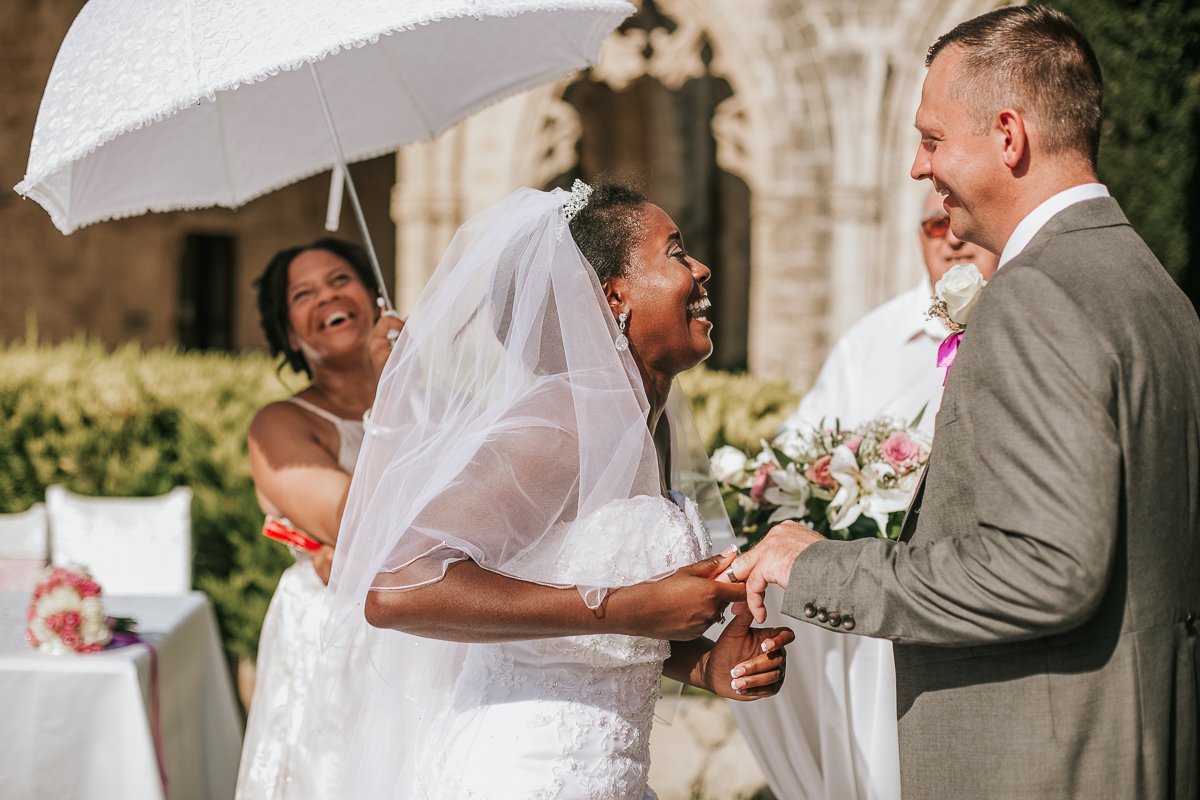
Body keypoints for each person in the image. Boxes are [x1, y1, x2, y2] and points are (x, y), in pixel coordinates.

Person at [728, 6, 1200, 798]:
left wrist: (819, 565)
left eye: (933, 138)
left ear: (1008, 136)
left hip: (1045, 763)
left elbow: (1048, 569)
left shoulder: (1038, 294)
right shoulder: (1148, 284)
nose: (919, 167)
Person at [299, 183, 794, 799]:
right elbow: (398, 586)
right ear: (613, 297)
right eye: (675, 253)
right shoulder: (565, 421)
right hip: (524, 773)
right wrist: (629, 605)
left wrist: (703, 662)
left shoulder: (639, 423)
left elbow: (575, 625)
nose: (701, 268)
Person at [736, 188, 999, 800]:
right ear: (917, 236)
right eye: (934, 226)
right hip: (874, 602)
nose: (950, 238)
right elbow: (799, 452)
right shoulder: (872, 340)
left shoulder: (1023, 327)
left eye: (957, 222)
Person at [235, 238, 402, 799]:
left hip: (428, 622)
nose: (327, 297)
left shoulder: (437, 399)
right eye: (302, 294)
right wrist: (393, 407)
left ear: (374, 297)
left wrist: (404, 387)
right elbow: (361, 521)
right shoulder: (279, 426)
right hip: (331, 636)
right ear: (289, 333)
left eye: (339, 280)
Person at [780, 188, 999, 436]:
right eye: (938, 225)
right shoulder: (867, 340)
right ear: (921, 239)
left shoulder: (1029, 325)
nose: (953, 239)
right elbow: (799, 436)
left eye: (965, 220)